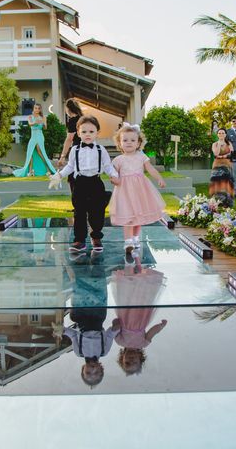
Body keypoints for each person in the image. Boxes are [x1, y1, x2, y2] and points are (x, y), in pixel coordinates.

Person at [49, 115, 119, 253]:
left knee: (97, 213)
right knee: (79, 212)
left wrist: (115, 175)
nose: (88, 134)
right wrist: (59, 175)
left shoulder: (101, 150)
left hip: (96, 183)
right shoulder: (75, 149)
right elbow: (70, 166)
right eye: (84, 132)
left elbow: (108, 166)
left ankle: (96, 237)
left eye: (91, 132)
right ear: (78, 133)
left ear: (97, 132)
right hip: (80, 183)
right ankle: (80, 240)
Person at [108, 123, 166, 260]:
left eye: (133, 140)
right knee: (128, 215)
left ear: (139, 143)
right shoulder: (118, 160)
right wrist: (113, 179)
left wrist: (159, 178)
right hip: (125, 192)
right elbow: (113, 174)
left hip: (140, 191)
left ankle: (135, 237)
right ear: (119, 143)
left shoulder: (141, 157)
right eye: (125, 140)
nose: (129, 143)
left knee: (138, 215)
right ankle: (128, 242)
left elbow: (150, 169)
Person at [111, 257, 167, 376]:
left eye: (127, 363)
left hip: (125, 317)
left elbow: (114, 328)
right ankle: (140, 269)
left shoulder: (120, 341)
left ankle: (128, 265)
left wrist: (115, 323)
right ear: (140, 358)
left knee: (126, 293)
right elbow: (152, 332)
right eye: (134, 362)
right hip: (141, 316)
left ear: (122, 358)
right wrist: (160, 326)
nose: (131, 360)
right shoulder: (143, 343)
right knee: (143, 295)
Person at [14, 103, 57, 177]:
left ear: (40, 110)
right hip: (33, 136)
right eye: (35, 108)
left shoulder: (43, 117)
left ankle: (48, 169)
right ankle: (31, 171)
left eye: (38, 108)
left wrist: (43, 124)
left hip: (40, 136)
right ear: (33, 109)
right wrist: (35, 122)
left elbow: (45, 128)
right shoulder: (30, 117)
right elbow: (30, 124)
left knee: (40, 152)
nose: (37, 110)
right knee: (30, 152)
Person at [209, 128, 235, 206]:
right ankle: (215, 202)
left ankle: (227, 202)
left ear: (225, 134)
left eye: (223, 133)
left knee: (226, 183)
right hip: (217, 165)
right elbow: (216, 153)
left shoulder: (229, 143)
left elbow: (232, 153)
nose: (221, 134)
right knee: (216, 182)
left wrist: (223, 156)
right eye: (219, 133)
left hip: (227, 165)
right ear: (217, 134)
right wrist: (220, 144)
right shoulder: (214, 144)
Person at [58, 98, 83, 169]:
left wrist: (62, 156)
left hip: (78, 147)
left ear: (68, 108)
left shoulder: (72, 121)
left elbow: (69, 139)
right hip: (88, 146)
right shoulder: (82, 118)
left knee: (75, 170)